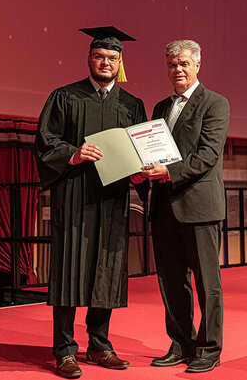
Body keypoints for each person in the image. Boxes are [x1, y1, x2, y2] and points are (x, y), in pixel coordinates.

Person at [34, 26, 147, 378]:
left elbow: (141, 150)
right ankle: (65, 350)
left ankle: (100, 344)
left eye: (112, 58)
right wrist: (74, 152)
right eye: (99, 56)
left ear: (120, 62)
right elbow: (45, 142)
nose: (105, 62)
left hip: (112, 199)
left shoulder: (132, 105)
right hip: (74, 196)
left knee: (106, 270)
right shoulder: (65, 96)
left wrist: (143, 172)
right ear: (89, 59)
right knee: (69, 268)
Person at [141, 39, 229, 373]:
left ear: (197, 66)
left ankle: (209, 348)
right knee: (171, 280)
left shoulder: (215, 103)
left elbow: (208, 154)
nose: (177, 70)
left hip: (199, 206)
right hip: (164, 206)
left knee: (208, 283)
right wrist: (142, 170)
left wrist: (169, 171)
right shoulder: (161, 107)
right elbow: (152, 150)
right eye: (171, 65)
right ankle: (181, 343)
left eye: (183, 64)